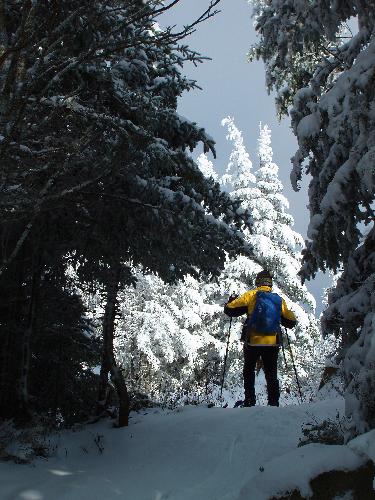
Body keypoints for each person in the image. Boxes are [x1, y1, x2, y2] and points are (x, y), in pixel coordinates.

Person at [224, 270, 297, 407]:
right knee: (271, 372)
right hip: (272, 342)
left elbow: (230, 310)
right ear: (270, 284)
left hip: (252, 340)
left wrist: (231, 301)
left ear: (258, 282)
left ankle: (250, 400)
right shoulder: (278, 300)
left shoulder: (251, 296)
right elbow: (291, 322)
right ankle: (273, 402)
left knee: (249, 370)